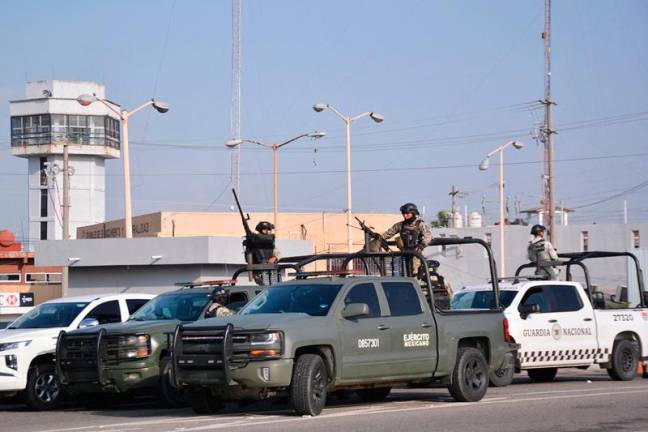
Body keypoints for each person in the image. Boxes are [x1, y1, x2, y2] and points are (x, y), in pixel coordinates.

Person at [381, 203, 433, 277]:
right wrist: (380, 239)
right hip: (404, 253)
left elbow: (428, 236)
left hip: (416, 254)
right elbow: (387, 234)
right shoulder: (400, 225)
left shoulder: (420, 224)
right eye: (403, 213)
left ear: (413, 213)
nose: (405, 215)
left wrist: (422, 245)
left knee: (415, 275)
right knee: (403, 275)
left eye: (407, 213)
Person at [251, 221, 280, 286]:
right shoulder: (255, 240)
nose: (267, 231)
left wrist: (274, 258)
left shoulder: (269, 242)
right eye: (264, 229)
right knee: (265, 288)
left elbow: (277, 252)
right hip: (260, 270)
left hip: (271, 269)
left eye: (268, 230)